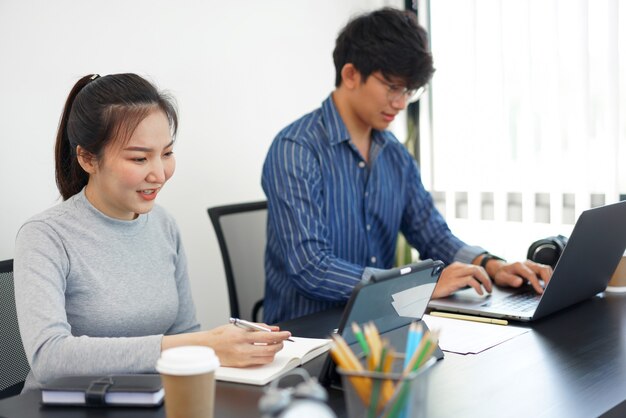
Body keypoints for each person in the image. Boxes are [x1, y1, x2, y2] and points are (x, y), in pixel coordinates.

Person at [261, 8, 553, 324]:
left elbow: (433, 235)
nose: (401, 103)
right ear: (350, 75)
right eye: (392, 87)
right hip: (306, 340)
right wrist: (416, 285)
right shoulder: (297, 149)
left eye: (408, 90)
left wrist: (492, 265)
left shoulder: (394, 154)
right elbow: (311, 268)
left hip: (380, 330)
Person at [14, 73, 291, 391]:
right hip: (67, 408)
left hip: (152, 400)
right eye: (139, 158)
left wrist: (230, 348)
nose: (159, 174)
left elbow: (186, 330)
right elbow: (49, 358)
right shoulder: (45, 236)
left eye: (167, 153)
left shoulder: (164, 225)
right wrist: (202, 344)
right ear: (88, 158)